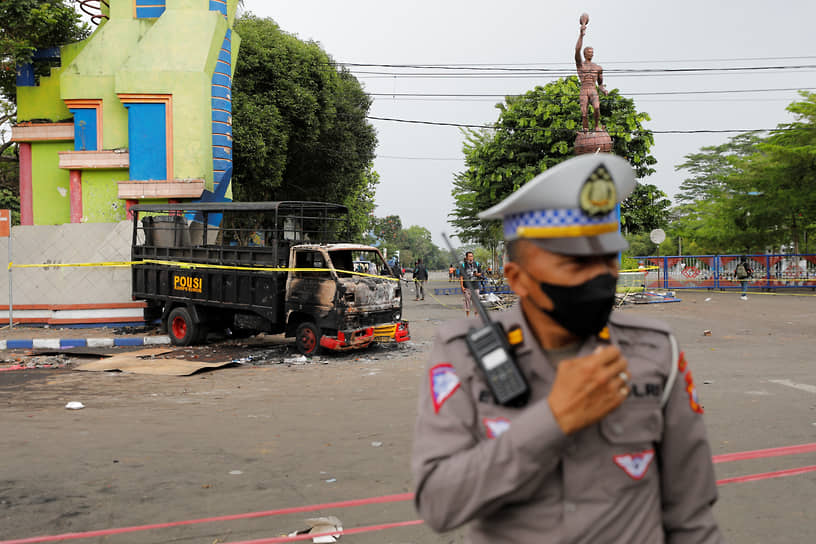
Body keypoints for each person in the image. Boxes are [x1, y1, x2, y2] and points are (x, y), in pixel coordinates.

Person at [412, 153, 723, 543]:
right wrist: (554, 419)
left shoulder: (654, 351)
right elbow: (439, 503)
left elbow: (691, 518)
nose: (598, 279)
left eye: (607, 261)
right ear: (518, 278)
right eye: (576, 264)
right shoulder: (461, 355)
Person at [575, 13, 609, 131]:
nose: (591, 53)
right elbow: (577, 49)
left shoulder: (598, 67)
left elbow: (600, 83)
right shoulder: (580, 65)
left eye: (592, 52)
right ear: (585, 54)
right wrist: (581, 35)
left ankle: (596, 126)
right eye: (589, 52)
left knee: (596, 108)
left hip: (593, 89)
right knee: (584, 113)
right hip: (584, 89)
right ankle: (585, 129)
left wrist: (603, 89)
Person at [459, 251, 483, 317]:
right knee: (467, 302)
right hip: (467, 287)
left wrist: (477, 274)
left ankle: (476, 317)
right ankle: (468, 317)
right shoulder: (463, 265)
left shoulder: (477, 264)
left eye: (472, 256)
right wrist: (462, 287)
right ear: (466, 257)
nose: (471, 258)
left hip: (476, 286)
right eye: (469, 256)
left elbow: (480, 273)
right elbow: (461, 277)